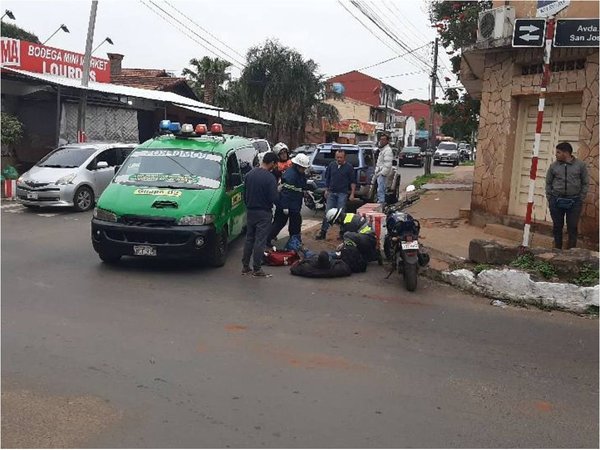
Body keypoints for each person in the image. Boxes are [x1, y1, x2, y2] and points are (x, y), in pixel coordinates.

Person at [545, 142, 589, 249]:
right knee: (557, 227)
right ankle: (557, 250)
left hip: (574, 202)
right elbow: (548, 183)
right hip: (556, 200)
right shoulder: (553, 166)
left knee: (572, 227)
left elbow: (585, 183)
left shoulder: (580, 165)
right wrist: (550, 197)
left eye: (558, 152)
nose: (556, 154)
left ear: (566, 153)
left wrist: (581, 197)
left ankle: (571, 252)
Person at [242, 152, 279, 277]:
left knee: (249, 239)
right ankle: (257, 268)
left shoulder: (249, 175)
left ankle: (245, 266)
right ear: (272, 163)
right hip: (264, 213)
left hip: (251, 211)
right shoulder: (270, 178)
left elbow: (244, 194)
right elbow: (274, 198)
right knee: (260, 241)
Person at [268, 153, 310, 245]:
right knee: (279, 223)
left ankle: (295, 241)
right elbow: (286, 192)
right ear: (298, 166)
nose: (304, 169)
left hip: (294, 204)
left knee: (295, 223)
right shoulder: (290, 176)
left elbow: (300, 185)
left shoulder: (298, 173)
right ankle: (267, 239)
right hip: (286, 205)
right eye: (303, 168)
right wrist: (285, 206)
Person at [315, 149, 356, 240]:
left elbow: (353, 182)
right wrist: (326, 190)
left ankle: (342, 233)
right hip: (331, 193)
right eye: (337, 157)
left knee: (341, 214)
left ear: (344, 157)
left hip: (342, 193)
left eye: (341, 157)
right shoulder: (331, 165)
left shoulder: (349, 167)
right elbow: (328, 179)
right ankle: (323, 232)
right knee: (327, 213)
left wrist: (352, 194)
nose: (339, 159)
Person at [374, 133, 394, 207]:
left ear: (387, 141)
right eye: (381, 139)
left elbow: (388, 164)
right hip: (380, 174)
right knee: (380, 190)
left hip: (383, 175)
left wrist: (382, 173)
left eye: (383, 140)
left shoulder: (387, 150)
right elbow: (380, 163)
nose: (381, 141)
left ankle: (381, 205)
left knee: (381, 190)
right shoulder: (383, 150)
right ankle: (381, 204)